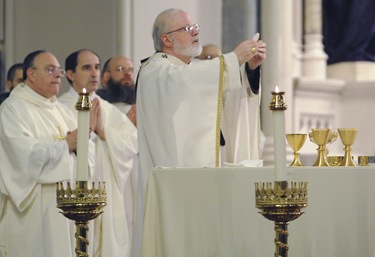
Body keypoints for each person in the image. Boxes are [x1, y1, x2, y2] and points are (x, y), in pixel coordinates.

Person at [134, 8, 266, 257]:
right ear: (166, 40)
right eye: (186, 29)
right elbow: (185, 83)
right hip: (175, 188)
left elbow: (224, 95)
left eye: (195, 26)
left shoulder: (191, 71)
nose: (195, 31)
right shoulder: (155, 71)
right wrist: (232, 58)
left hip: (208, 181)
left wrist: (249, 69)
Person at [59, 49, 138, 257]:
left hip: (106, 188)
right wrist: (87, 132)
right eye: (86, 68)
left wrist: (104, 132)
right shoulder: (60, 108)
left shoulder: (106, 108)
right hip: (75, 191)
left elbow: (132, 143)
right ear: (70, 74)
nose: (94, 73)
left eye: (96, 67)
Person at [0, 50, 79, 257]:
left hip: (64, 204)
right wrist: (66, 145)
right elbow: (23, 157)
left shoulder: (60, 109)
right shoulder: (13, 109)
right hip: (34, 207)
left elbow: (80, 150)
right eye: (50, 70)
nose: (57, 76)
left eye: (59, 71)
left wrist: (81, 144)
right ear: (31, 74)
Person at [96, 56, 137, 126]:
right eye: (120, 69)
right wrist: (126, 126)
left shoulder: (142, 106)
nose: (128, 74)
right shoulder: (97, 106)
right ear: (106, 76)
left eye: (130, 70)